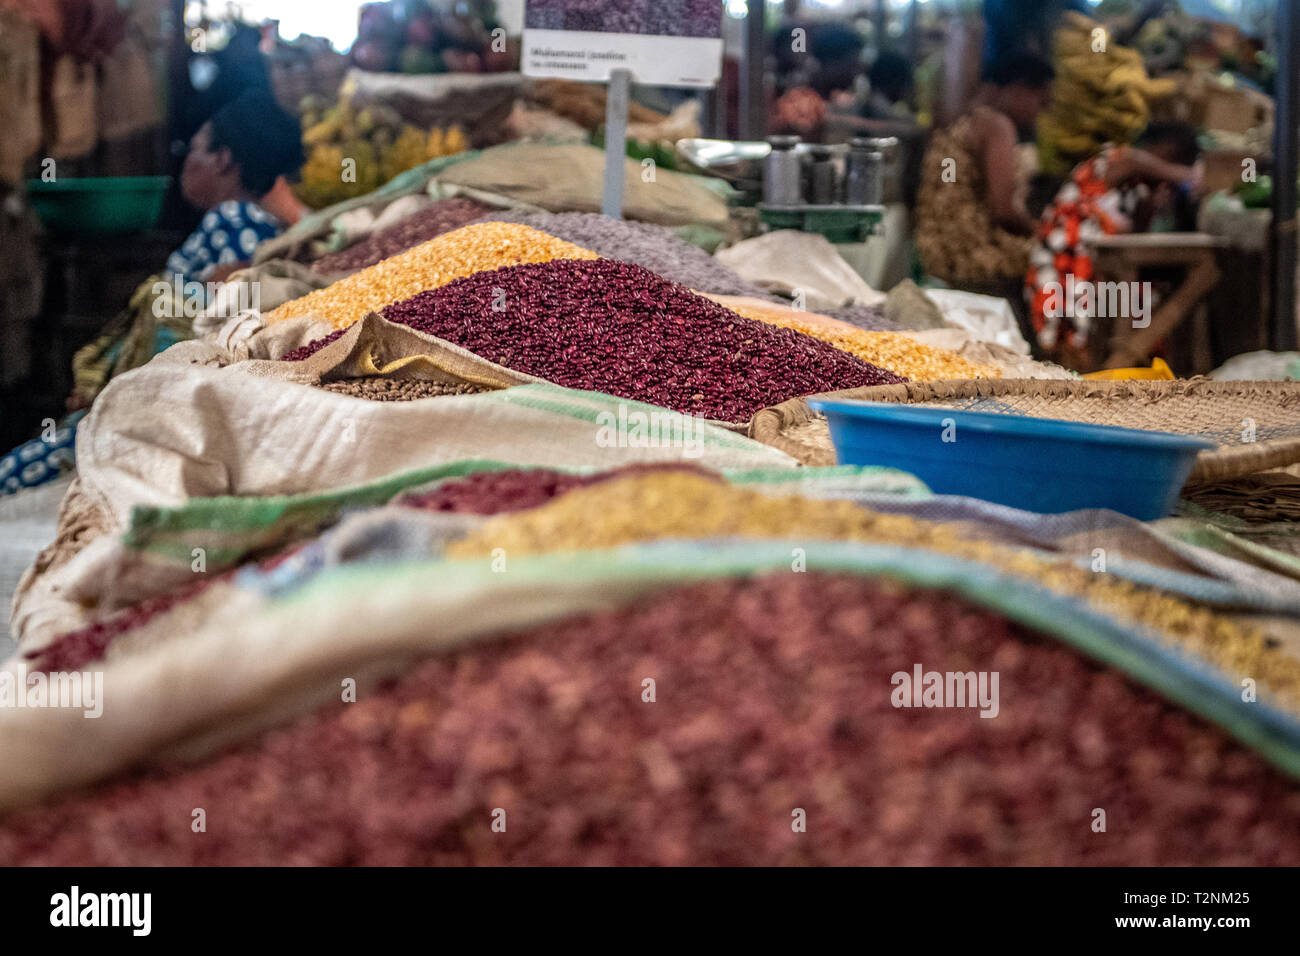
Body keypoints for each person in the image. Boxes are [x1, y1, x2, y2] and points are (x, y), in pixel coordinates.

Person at [1026, 122, 1202, 361]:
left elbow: (1133, 233)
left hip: (1088, 271)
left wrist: (1153, 203)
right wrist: (1189, 176)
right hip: (1060, 260)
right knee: (1061, 327)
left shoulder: (1140, 189)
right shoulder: (1113, 160)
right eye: (1172, 159)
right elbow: (1134, 160)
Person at [915, 55, 1055, 296]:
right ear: (1017, 88)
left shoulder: (953, 119)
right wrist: (1045, 234)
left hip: (938, 258)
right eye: (1040, 101)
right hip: (978, 263)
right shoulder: (997, 126)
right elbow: (1004, 210)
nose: (1038, 114)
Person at [167, 89, 305, 287]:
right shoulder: (256, 220)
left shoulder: (234, 218)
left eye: (193, 149)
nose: (186, 162)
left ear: (222, 159)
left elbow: (228, 301)